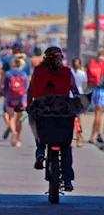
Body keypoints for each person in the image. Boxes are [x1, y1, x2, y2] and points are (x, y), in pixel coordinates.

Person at [28, 47, 78, 191]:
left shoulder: (38, 70)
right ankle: (67, 179)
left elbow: (30, 90)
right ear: (60, 58)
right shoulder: (67, 72)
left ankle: (40, 152)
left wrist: (28, 105)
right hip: (63, 112)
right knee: (66, 146)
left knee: (39, 131)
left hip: (42, 109)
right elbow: (75, 91)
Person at [3, 57, 29, 147]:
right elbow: (26, 88)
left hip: (10, 98)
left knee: (11, 117)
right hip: (21, 98)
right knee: (19, 120)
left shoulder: (8, 74)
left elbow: (5, 88)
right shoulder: (24, 74)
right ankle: (17, 138)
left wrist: (5, 97)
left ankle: (13, 132)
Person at [87, 49, 104, 144]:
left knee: (98, 114)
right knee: (98, 114)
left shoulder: (96, 62)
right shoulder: (102, 63)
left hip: (96, 89)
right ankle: (92, 136)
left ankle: (98, 134)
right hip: (101, 90)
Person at [70, 57, 87, 147]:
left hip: (75, 97)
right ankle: (76, 139)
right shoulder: (81, 73)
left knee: (75, 119)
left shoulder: (78, 73)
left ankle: (78, 138)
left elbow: (84, 85)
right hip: (75, 96)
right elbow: (85, 85)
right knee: (75, 119)